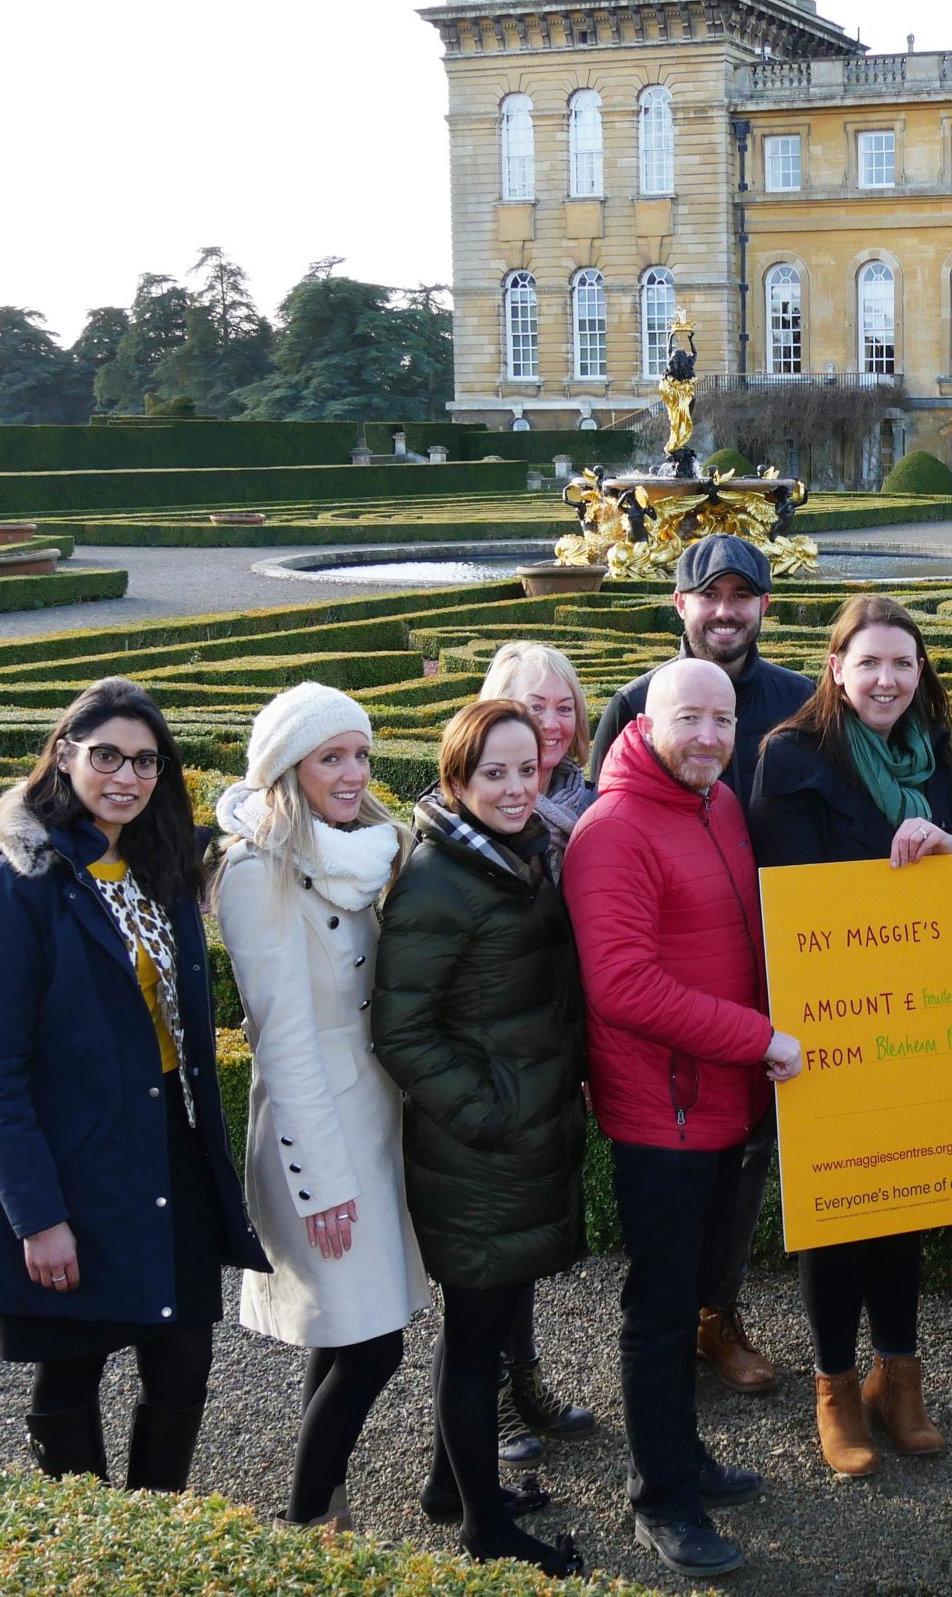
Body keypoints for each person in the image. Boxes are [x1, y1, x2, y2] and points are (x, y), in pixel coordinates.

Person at [0, 678, 267, 1491]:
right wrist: (39, 1214)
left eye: (145, 760)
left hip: (170, 1145)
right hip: (73, 1161)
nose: (125, 776)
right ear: (65, 754)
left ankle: (152, 1533)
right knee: (72, 1366)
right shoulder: (14, 884)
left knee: (183, 1356)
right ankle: (86, 1543)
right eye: (106, 756)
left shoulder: (159, 869)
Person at [567, 659, 805, 1577]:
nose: (708, 736)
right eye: (689, 719)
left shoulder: (718, 804)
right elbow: (622, 987)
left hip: (723, 1097)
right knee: (661, 1313)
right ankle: (659, 1495)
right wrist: (758, 1037)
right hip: (663, 1111)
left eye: (723, 719)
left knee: (698, 1292)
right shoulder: (614, 830)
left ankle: (685, 1455)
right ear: (647, 719)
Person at [747, 595, 952, 1477]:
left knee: (909, 1198)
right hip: (832, 1021)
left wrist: (949, 844)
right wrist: (896, 850)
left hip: (923, 1013)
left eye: (903, 663)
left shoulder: (939, 760)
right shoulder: (791, 755)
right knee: (840, 1207)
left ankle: (901, 1377)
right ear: (835, 668)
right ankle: (837, 1388)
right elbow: (793, 890)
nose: (886, 679)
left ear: (921, 674)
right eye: (870, 662)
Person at [589, 534, 812, 1398]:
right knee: (680, 1197)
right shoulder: (633, 704)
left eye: (742, 596)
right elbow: (607, 843)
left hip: (773, 965)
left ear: (763, 606)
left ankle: (719, 1317)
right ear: (679, 605)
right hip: (677, 1004)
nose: (725, 611)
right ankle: (675, 1343)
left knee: (747, 1163)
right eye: (708, 595)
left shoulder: (799, 700)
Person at [373, 700, 588, 1571]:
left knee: (484, 1326)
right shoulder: (438, 875)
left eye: (526, 769)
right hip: (481, 1151)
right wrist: (489, 1113)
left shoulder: (518, 855)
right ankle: (485, 1530)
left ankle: (447, 1485)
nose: (514, 787)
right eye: (492, 773)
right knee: (474, 1341)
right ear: (456, 779)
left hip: (517, 1136)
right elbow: (402, 1032)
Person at [213, 683, 424, 1530]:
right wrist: (321, 1180)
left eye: (361, 753)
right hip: (320, 1127)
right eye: (330, 756)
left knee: (347, 1329)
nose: (352, 772)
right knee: (378, 1344)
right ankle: (304, 1526)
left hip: (373, 1115)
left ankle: (326, 1509)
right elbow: (284, 1040)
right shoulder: (255, 867)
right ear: (286, 766)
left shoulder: (361, 846)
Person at [474, 641, 602, 1466]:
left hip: (562, 1047)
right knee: (490, 1244)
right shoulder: (477, 810)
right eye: (533, 705)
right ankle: (485, 1403)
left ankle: (523, 1376)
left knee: (527, 1236)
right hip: (496, 1061)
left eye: (565, 707)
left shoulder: (591, 803)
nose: (551, 724)